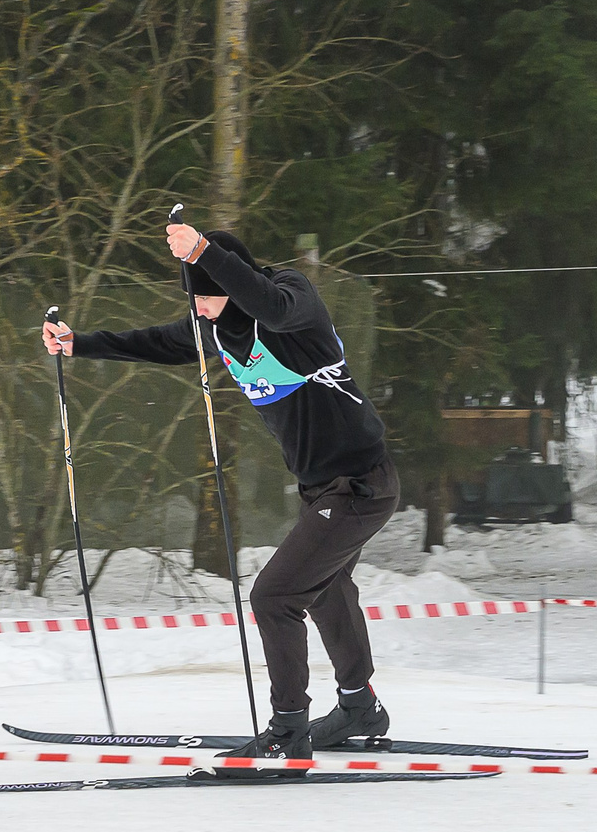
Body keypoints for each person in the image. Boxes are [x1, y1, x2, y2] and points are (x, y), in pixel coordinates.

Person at [43, 219, 397, 764]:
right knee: (324, 588)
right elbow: (162, 342)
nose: (202, 310)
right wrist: (78, 345)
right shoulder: (218, 324)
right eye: (197, 301)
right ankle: (359, 707)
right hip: (324, 488)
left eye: (207, 297)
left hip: (361, 484)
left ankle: (288, 726)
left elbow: (271, 307)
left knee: (274, 597)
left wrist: (205, 251)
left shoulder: (292, 300)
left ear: (232, 282)